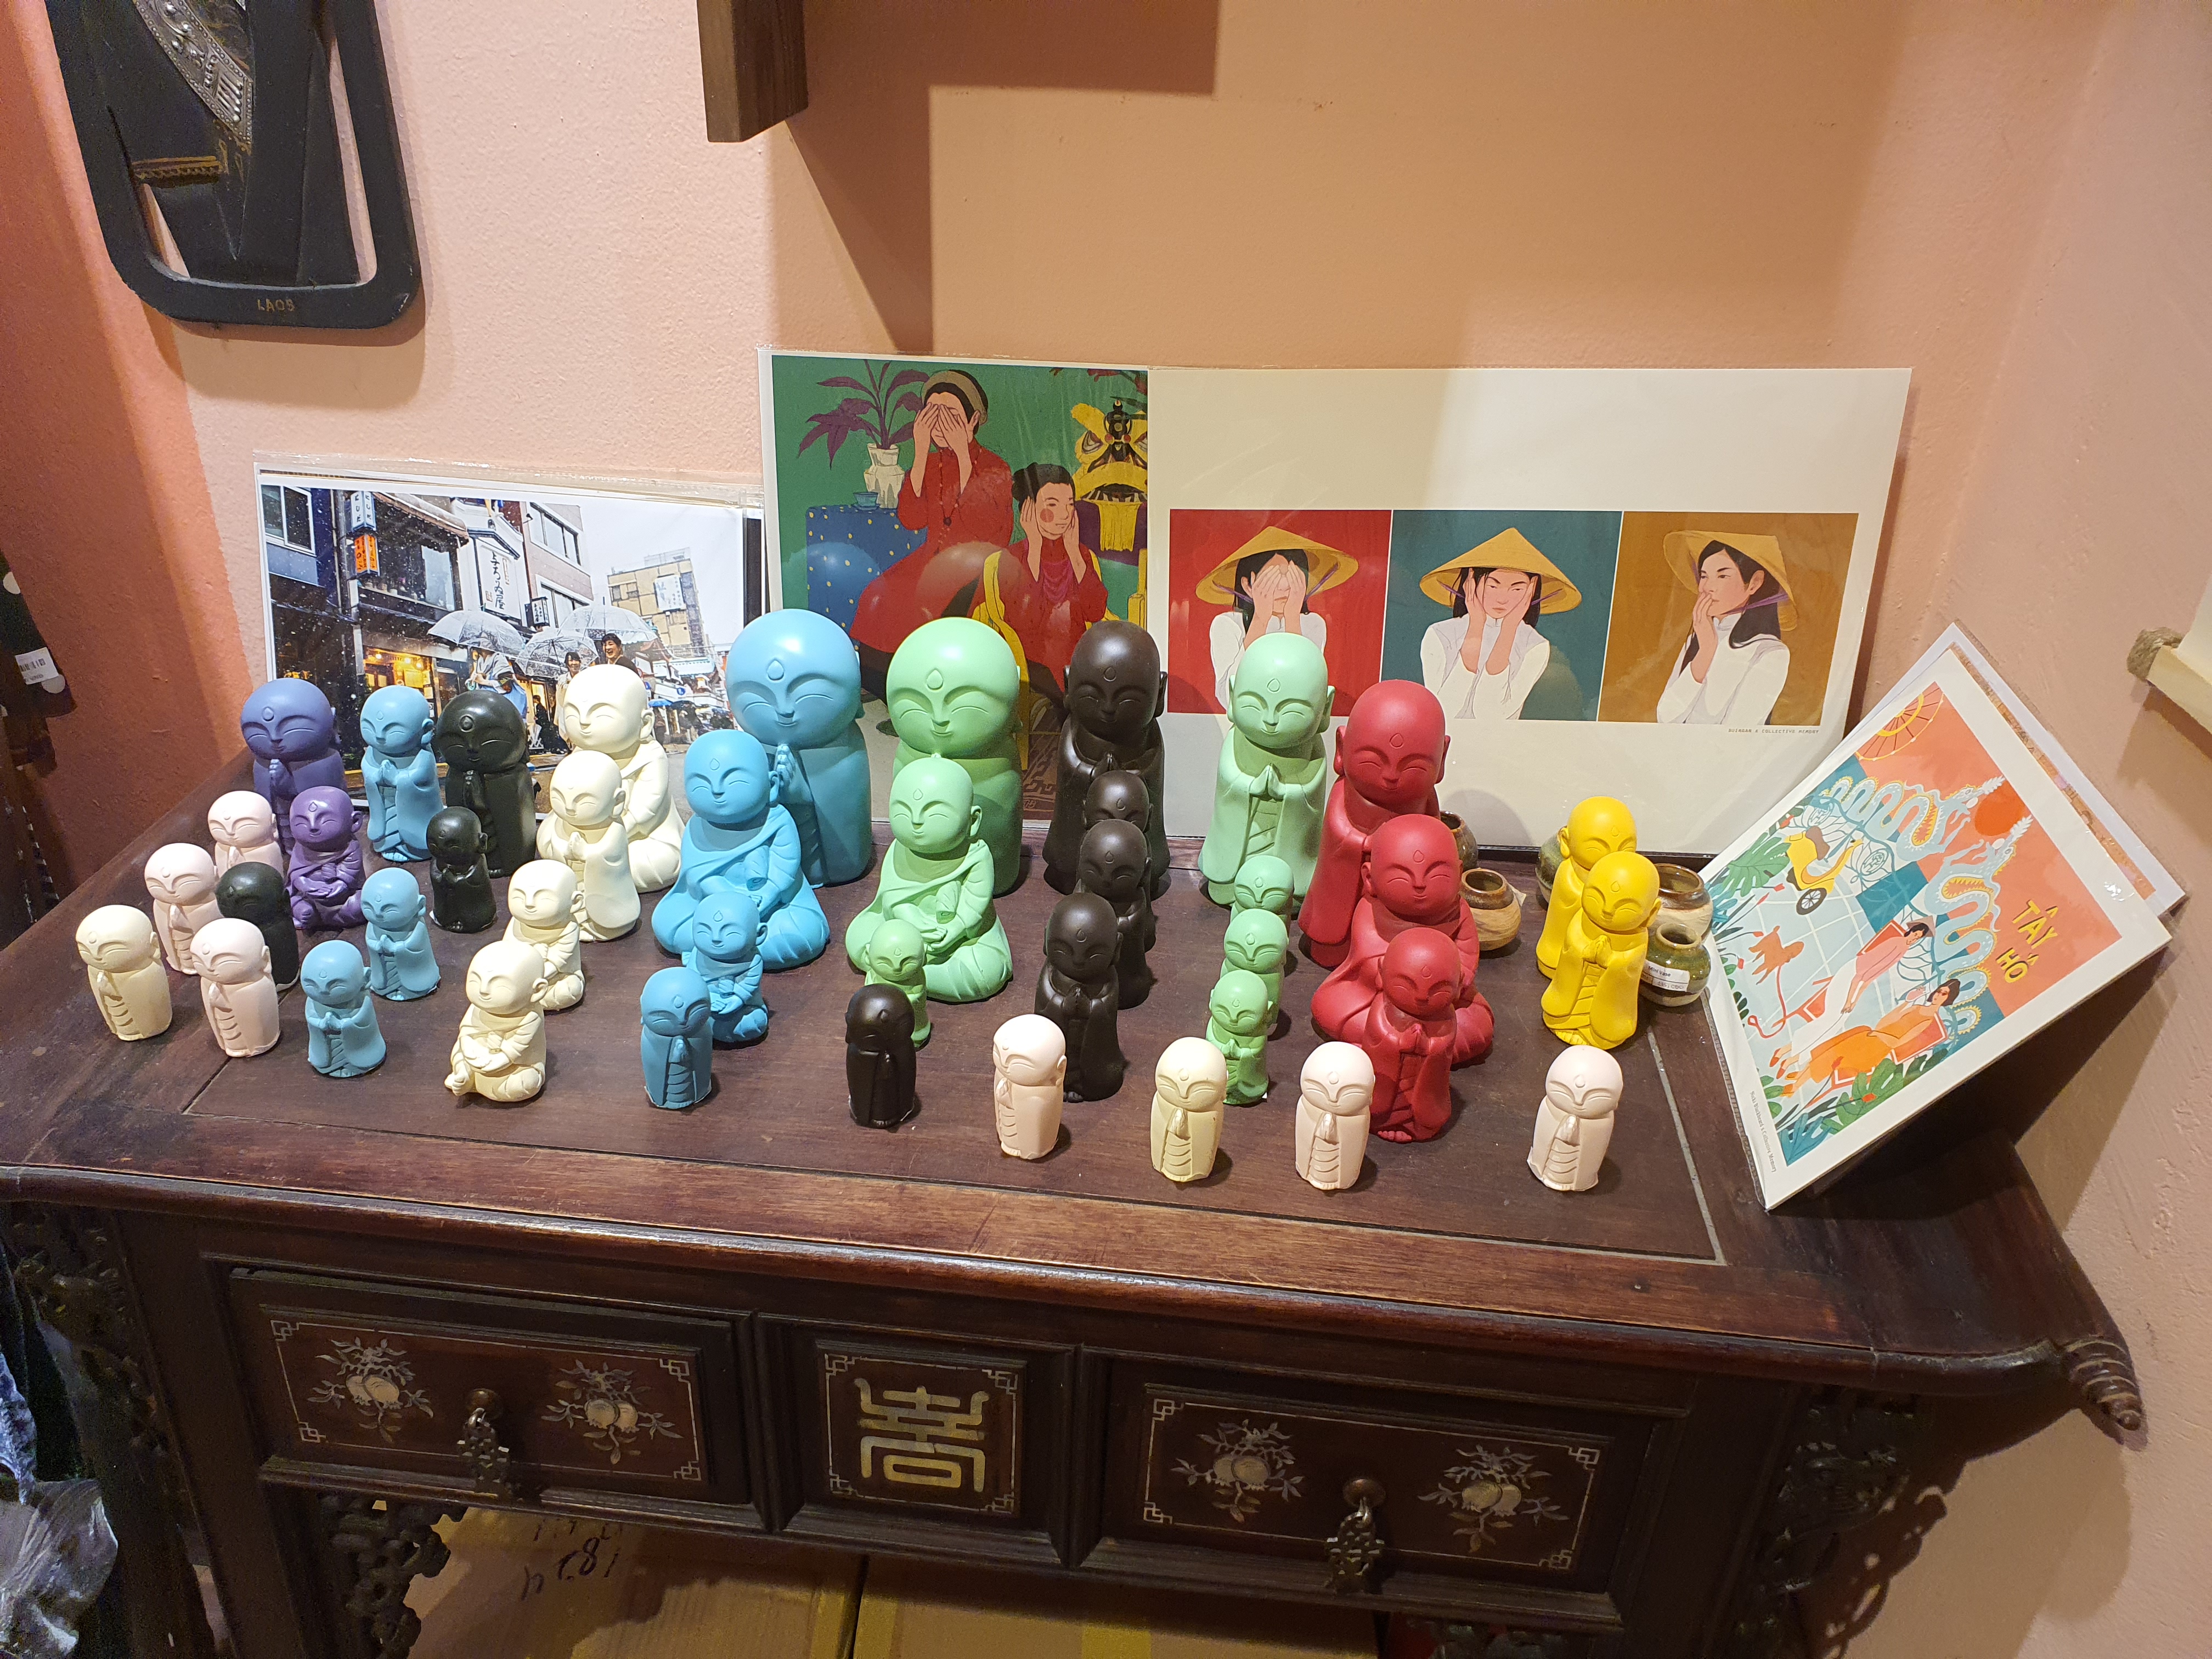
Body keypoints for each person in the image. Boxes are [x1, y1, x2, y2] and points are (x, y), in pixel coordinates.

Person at [849, 369, 1015, 692]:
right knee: (878, 595)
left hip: (978, 567)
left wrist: (964, 457)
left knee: (930, 608)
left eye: (951, 413)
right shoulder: (932, 463)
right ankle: (881, 687)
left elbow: (988, 531)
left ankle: (925, 688)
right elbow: (911, 519)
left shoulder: (996, 467)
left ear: (973, 420)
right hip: (930, 560)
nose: (940, 422)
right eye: (932, 412)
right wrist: (921, 451)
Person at [963, 462, 1111, 700]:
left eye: (1069, 504)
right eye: (1052, 505)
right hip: (1027, 668)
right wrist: (1034, 550)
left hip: (1078, 666)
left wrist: (1074, 553)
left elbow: (1095, 612)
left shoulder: (1082, 555)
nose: (1064, 514)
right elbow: (1026, 620)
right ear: (1028, 510)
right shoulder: (1010, 559)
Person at [1416, 528, 1582, 721]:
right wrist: (1476, 628)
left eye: (1517, 589)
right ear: (1471, 582)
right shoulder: (1440, 634)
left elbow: (1491, 715)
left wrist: (1509, 629)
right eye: (1493, 586)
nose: (1502, 599)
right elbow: (1444, 711)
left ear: (1532, 590)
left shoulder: (1535, 646)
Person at [1199, 527, 1352, 712]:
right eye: (1272, 577)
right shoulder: (1228, 624)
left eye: (1292, 576)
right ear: (1248, 585)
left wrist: (1292, 618)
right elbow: (1229, 698)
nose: (1284, 587)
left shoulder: (1313, 623)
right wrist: (1260, 619)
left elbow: (1308, 688)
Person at [1655, 532, 1796, 728]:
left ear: (1755, 583)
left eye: (1722, 576)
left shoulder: (1770, 652)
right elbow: (1665, 718)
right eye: (1704, 576)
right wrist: (1706, 651)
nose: (1706, 588)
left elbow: (1737, 732)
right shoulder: (1699, 638)